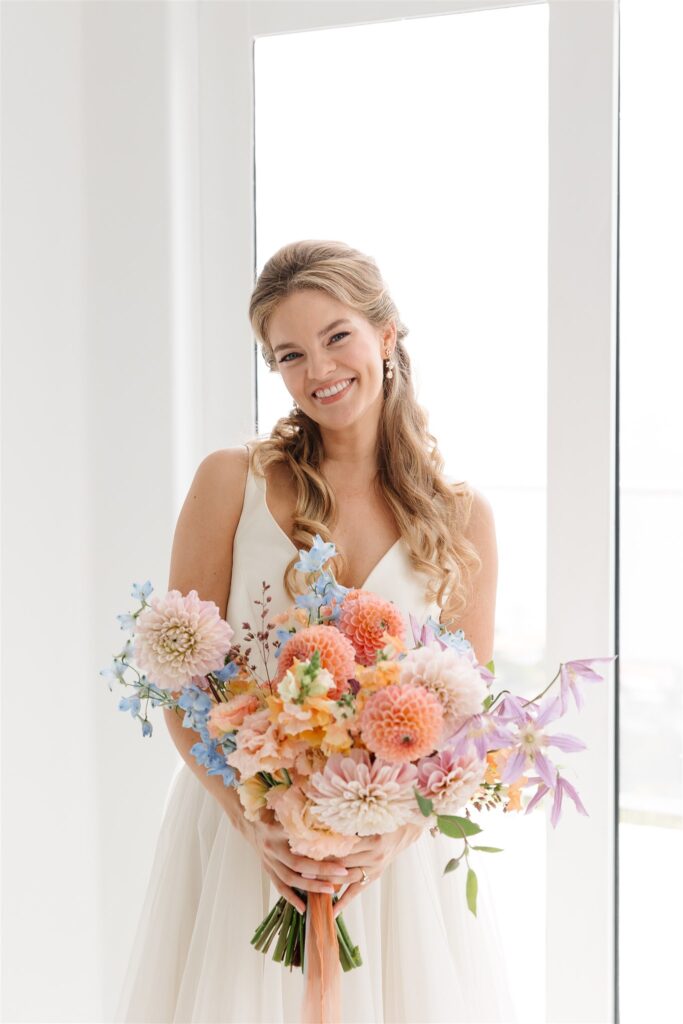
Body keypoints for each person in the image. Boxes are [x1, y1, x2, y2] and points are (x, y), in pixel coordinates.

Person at [114, 240, 518, 1023]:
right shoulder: (231, 481)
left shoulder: (462, 518)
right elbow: (181, 677)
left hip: (388, 855)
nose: (318, 371)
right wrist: (253, 823)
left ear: (386, 335)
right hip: (247, 834)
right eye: (289, 354)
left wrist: (390, 838)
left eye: (336, 337)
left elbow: (466, 722)